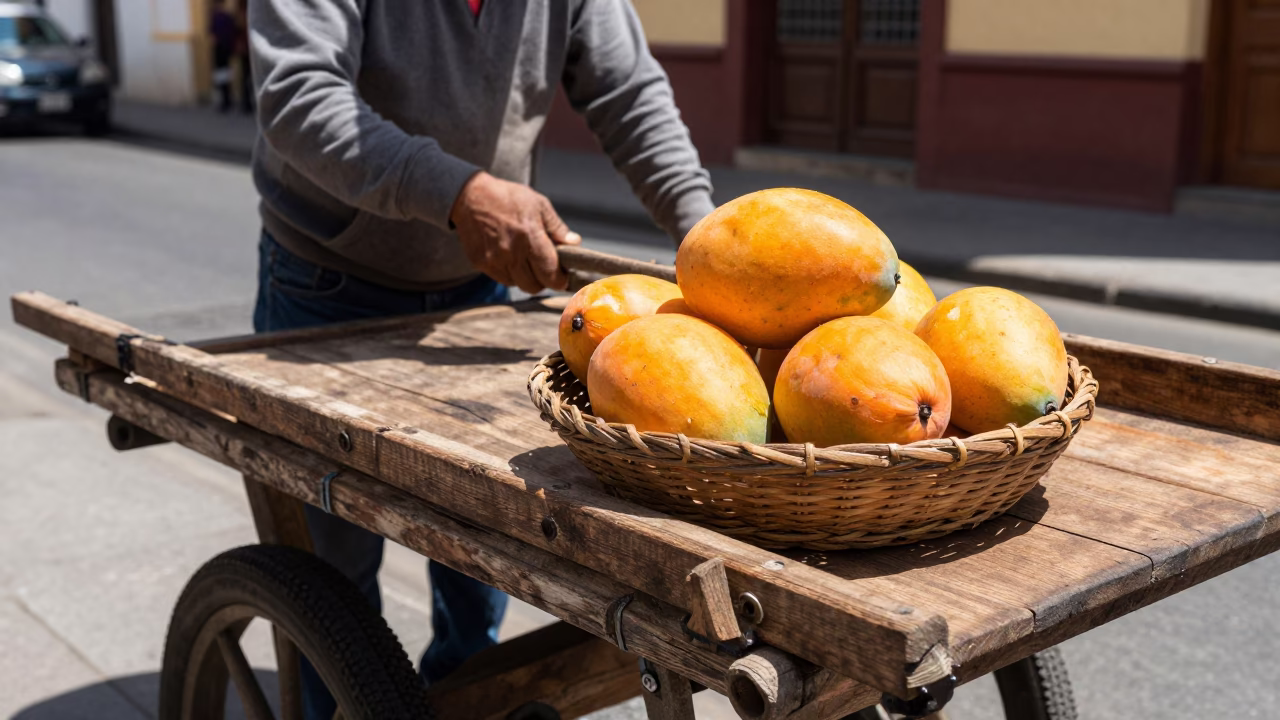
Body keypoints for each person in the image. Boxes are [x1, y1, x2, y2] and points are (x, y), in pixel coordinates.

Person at [248, 1, 714, 716]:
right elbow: (299, 99)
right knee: (333, 567)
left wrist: (709, 239)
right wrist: (459, 192)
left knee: (484, 546)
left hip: (480, 283)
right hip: (330, 279)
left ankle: (460, 694)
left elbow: (629, 93)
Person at [208, 1, 235, 112]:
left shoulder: (217, 17)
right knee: (226, 75)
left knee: (221, 76)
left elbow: (213, 35)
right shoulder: (227, 17)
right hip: (226, 50)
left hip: (220, 50)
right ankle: (227, 100)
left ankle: (225, 101)